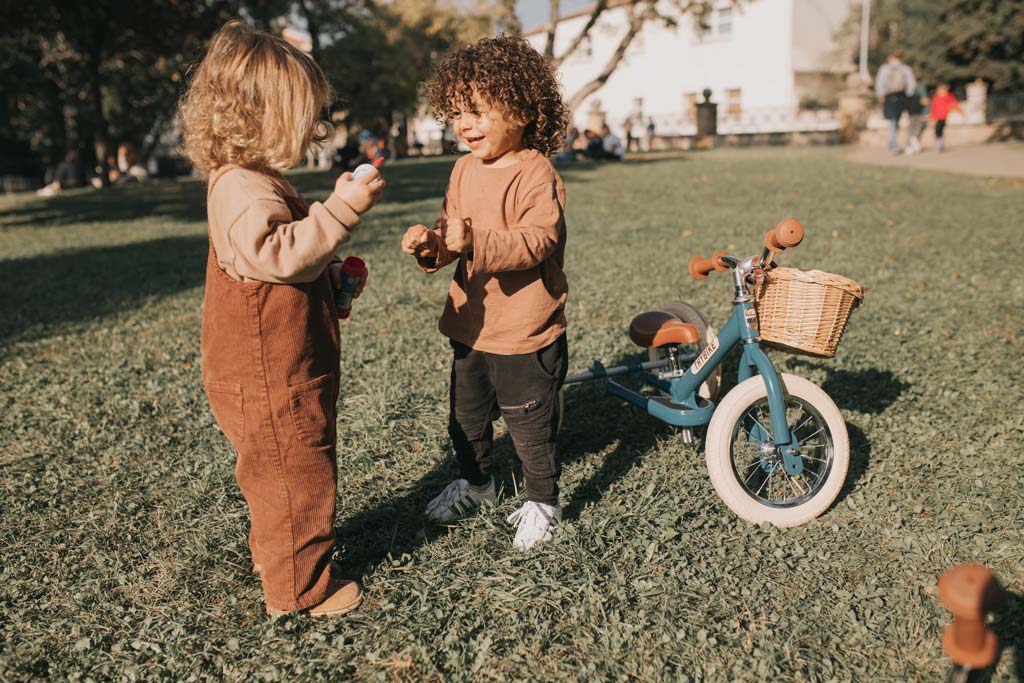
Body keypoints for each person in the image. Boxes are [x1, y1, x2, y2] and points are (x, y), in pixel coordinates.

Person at [178, 20, 384, 618]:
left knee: (276, 472)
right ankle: (299, 591)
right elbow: (278, 254)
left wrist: (331, 281)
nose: (316, 129)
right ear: (257, 114)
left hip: (277, 366)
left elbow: (283, 267)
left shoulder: (250, 181)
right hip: (272, 376)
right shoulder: (243, 188)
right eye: (307, 116)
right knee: (296, 475)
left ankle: (277, 556)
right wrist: (342, 208)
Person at [400, 34, 570, 550]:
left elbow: (538, 241)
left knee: (528, 422)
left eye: (475, 111)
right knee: (466, 416)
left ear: (519, 108)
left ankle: (543, 499)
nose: (463, 125)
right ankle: (478, 485)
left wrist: (475, 239)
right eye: (455, 113)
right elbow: (453, 232)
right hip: (471, 325)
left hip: (524, 327)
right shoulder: (462, 169)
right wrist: (433, 245)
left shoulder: (537, 173)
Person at [874, 50, 916, 154]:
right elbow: (911, 83)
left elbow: (880, 82)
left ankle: (893, 144)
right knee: (896, 120)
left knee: (893, 121)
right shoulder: (905, 68)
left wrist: (880, 94)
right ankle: (893, 144)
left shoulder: (885, 68)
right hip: (901, 96)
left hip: (889, 96)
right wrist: (909, 94)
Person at [929, 83, 962, 152]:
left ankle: (940, 143)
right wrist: (931, 117)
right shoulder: (936, 98)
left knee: (939, 130)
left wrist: (960, 112)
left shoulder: (948, 97)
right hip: (937, 117)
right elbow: (933, 108)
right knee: (937, 130)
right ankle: (940, 143)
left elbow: (954, 104)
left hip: (943, 116)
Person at [904, 81, 930, 155]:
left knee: (914, 130)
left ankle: (911, 145)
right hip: (915, 115)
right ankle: (912, 145)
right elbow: (925, 105)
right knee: (915, 130)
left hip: (916, 115)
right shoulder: (916, 97)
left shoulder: (909, 97)